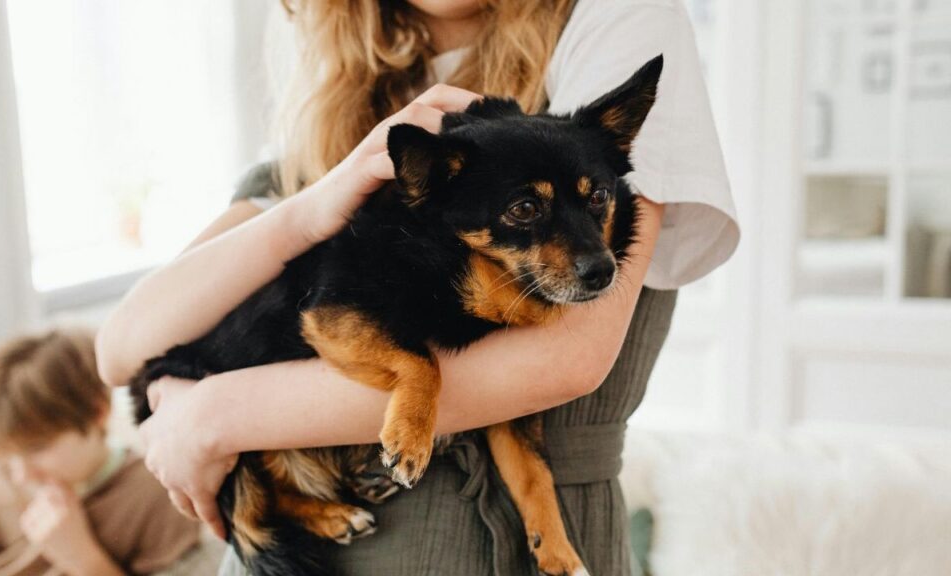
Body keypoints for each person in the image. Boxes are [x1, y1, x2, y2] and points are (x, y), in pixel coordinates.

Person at [96, 0, 740, 574]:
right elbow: (123, 346)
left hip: (500, 546)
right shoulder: (335, 98)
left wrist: (210, 417)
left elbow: (563, 358)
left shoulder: (621, 21)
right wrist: (315, 206)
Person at [0, 328, 206, 576]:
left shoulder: (155, 495)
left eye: (37, 449)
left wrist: (83, 558)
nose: (21, 474)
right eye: (7, 455)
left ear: (98, 412)